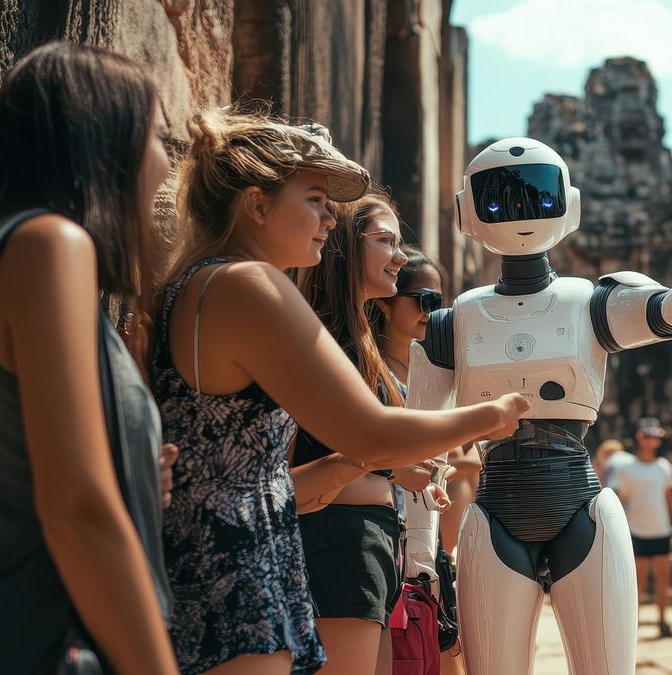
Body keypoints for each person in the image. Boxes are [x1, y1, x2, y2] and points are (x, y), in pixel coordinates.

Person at [152, 108, 527, 675]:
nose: (330, 218)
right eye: (314, 200)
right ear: (257, 204)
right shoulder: (247, 284)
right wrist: (493, 413)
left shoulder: (188, 287)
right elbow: (373, 434)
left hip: (211, 563)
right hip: (232, 580)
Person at [406, 136, 672, 674]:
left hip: (579, 503)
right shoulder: (452, 322)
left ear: (568, 204)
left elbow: (668, 309)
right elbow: (420, 451)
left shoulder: (588, 301)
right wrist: (419, 552)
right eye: (500, 200)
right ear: (467, 212)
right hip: (495, 511)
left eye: (536, 195)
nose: (518, 212)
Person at [0, 43, 177, 674]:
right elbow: (76, 511)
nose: (166, 161)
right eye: (156, 136)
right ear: (105, 140)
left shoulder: (3, 249)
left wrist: (136, 479)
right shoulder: (50, 244)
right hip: (43, 644)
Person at [290, 193, 450, 674]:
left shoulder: (359, 340)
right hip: (340, 539)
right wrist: (490, 416)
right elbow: (319, 452)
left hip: (374, 538)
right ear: (343, 247)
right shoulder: (327, 338)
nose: (400, 256)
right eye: (385, 242)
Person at [375, 246, 472, 675]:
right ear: (385, 301)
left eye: (441, 302)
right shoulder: (370, 369)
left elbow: (465, 463)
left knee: (445, 653)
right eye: (424, 299)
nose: (433, 312)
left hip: (437, 544)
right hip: (388, 532)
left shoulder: (445, 371)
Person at [608, 417, 672, 638]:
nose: (653, 440)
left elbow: (671, 501)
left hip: (661, 531)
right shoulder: (626, 468)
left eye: (655, 436)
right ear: (639, 437)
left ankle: (663, 620)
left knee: (664, 579)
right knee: (638, 581)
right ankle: (634, 623)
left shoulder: (664, 467)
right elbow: (617, 501)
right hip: (636, 532)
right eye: (648, 435)